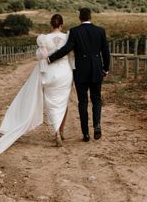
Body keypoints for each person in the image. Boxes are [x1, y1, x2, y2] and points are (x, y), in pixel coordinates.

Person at [0, 14, 74, 156]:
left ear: (51, 24)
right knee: (62, 102)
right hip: (64, 73)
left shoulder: (44, 38)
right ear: (62, 24)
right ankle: (60, 131)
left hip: (49, 73)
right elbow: (72, 54)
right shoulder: (68, 37)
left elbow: (40, 56)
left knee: (50, 102)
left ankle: (56, 132)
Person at [47, 8, 110, 142]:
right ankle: (97, 125)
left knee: (83, 102)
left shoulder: (75, 31)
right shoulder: (100, 31)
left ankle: (86, 133)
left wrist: (51, 58)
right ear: (90, 17)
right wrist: (106, 69)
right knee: (96, 99)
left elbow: (67, 49)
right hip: (96, 70)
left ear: (80, 18)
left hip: (80, 71)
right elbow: (106, 52)